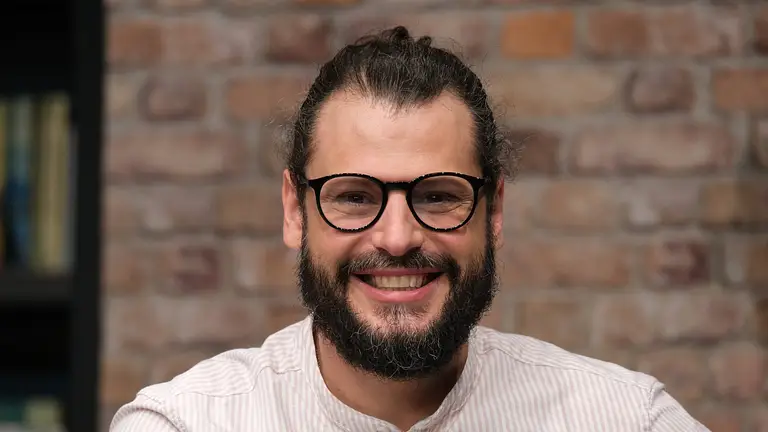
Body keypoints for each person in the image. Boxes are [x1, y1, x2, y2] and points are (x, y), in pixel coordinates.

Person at [110, 26, 708, 432]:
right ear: (294, 210)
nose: (396, 238)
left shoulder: (628, 418)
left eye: (439, 196)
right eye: (353, 197)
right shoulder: (186, 423)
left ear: (494, 212)